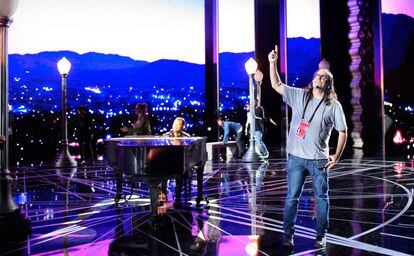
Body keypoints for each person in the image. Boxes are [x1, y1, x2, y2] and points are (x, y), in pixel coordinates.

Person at [268, 45, 347, 248]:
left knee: (321, 198)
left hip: (319, 159)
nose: (319, 78)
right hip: (295, 157)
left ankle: (321, 234)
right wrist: (272, 62)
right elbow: (276, 84)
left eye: (323, 77)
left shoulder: (333, 106)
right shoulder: (300, 96)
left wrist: (336, 156)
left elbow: (343, 132)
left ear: (328, 83)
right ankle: (288, 234)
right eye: (317, 75)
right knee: (292, 197)